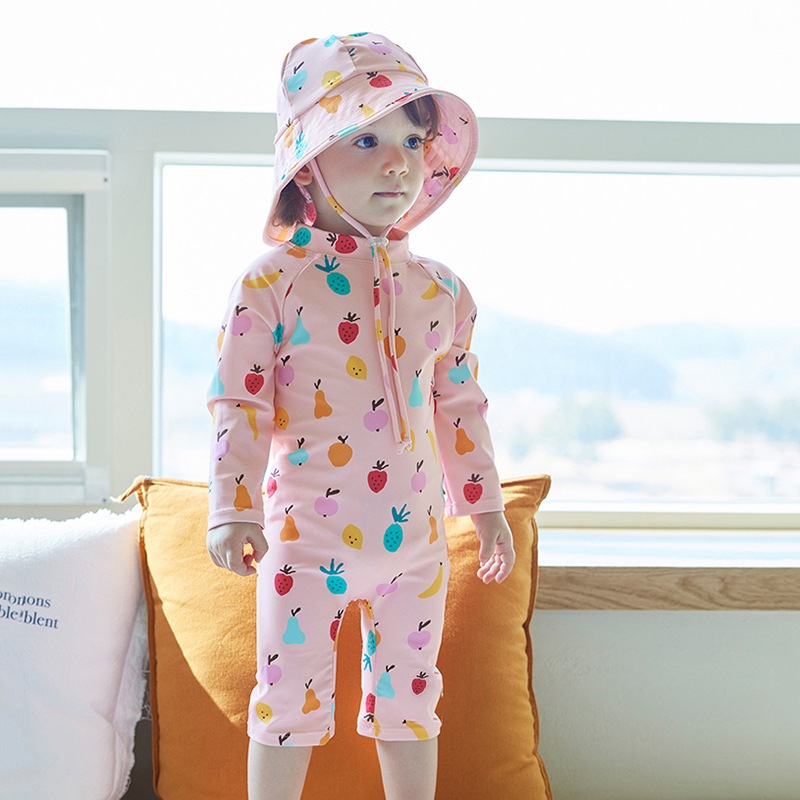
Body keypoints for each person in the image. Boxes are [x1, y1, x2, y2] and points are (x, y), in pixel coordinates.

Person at [206, 32, 515, 800]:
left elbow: (461, 407)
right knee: (287, 702)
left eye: (412, 140)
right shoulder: (270, 282)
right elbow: (239, 400)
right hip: (305, 540)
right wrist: (231, 508)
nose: (398, 162)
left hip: (417, 543)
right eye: (367, 139)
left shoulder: (443, 292)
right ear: (308, 164)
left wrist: (486, 509)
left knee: (413, 699)